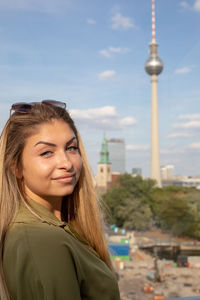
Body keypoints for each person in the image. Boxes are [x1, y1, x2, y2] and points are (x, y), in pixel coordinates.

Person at [0, 100, 120, 300]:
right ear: (16, 167)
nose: (66, 163)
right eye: (47, 152)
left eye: (71, 148)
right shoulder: (43, 241)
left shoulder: (53, 228)